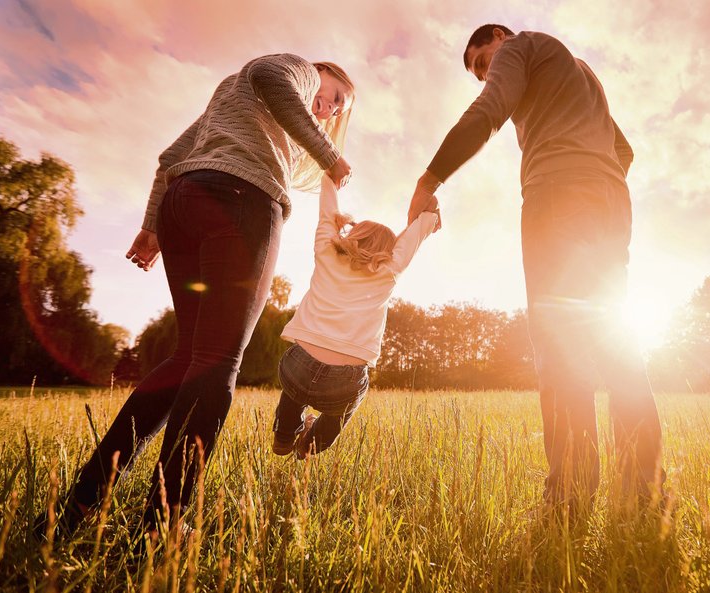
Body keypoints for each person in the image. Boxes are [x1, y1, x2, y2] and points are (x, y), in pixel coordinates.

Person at [37, 53, 356, 539]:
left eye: (337, 111)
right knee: (217, 362)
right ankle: (162, 526)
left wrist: (151, 227)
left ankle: (79, 506)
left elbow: (169, 159)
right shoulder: (294, 68)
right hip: (242, 203)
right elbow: (273, 76)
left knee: (189, 357)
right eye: (334, 96)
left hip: (183, 205)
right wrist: (329, 155)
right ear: (320, 73)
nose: (329, 110)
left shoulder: (233, 97)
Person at [408, 25, 663, 511]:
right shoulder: (580, 71)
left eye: (485, 62)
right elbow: (623, 150)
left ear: (501, 39)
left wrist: (430, 178)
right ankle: (643, 492)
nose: (486, 74)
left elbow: (489, 111)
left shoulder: (520, 47)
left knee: (560, 344)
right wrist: (592, 178)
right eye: (480, 71)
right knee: (616, 343)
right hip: (610, 200)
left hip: (557, 196)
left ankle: (569, 497)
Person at [272, 176, 439, 459]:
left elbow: (327, 211)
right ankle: (311, 445)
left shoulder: (326, 251)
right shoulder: (390, 270)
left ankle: (285, 436)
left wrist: (330, 178)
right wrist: (429, 212)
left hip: (298, 364)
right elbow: (417, 233)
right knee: (341, 411)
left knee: (295, 388)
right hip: (345, 379)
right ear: (389, 251)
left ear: (353, 235)